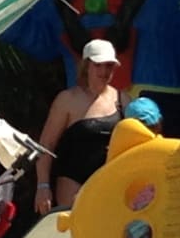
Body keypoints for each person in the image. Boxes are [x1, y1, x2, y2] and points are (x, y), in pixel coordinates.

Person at [34, 39, 130, 214]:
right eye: (98, 65)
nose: (104, 71)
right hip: (73, 183)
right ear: (86, 66)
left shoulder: (123, 100)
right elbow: (46, 145)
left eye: (109, 66)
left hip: (112, 183)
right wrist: (43, 186)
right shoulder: (67, 100)